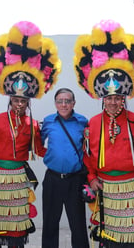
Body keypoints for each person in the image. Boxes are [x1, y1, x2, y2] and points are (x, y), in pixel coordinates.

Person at [0, 21, 61, 247]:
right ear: (10, 99)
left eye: (23, 100)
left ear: (28, 101)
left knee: (17, 226)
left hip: (19, 178)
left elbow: (39, 150)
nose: (19, 104)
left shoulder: (33, 124)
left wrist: (59, 147)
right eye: (16, 100)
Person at [74, 20, 134, 247]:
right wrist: (91, 178)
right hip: (104, 186)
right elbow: (87, 156)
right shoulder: (93, 123)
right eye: (109, 98)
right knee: (109, 239)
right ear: (102, 99)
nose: (113, 102)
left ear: (123, 98)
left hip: (132, 186)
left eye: (117, 98)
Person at [40, 88, 90, 248]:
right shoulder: (48, 121)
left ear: (73, 103)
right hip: (52, 178)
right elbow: (37, 144)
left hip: (75, 179)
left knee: (78, 224)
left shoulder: (83, 122)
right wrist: (52, 156)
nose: (63, 104)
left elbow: (89, 149)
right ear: (55, 103)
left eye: (67, 101)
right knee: (49, 222)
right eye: (60, 101)